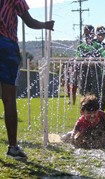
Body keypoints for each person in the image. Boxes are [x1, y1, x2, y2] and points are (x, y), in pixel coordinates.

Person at [0, 0, 54, 159]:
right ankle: (12, 147)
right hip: (6, 45)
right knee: (9, 99)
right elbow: (29, 22)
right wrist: (46, 25)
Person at [76, 25, 103, 100]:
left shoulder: (98, 46)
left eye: (91, 34)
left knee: (96, 95)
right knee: (84, 95)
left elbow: (103, 58)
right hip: (84, 73)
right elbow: (78, 60)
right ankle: (84, 111)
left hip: (96, 73)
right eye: (87, 34)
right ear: (84, 35)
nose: (89, 36)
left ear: (94, 35)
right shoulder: (80, 47)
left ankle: (97, 110)